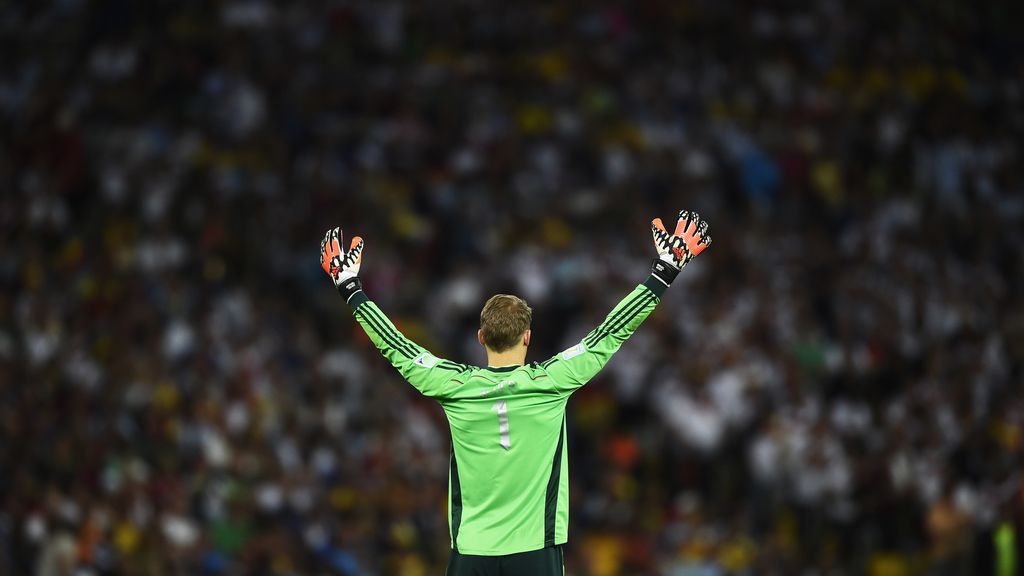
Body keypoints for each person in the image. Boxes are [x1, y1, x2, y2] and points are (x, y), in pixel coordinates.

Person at [319, 210, 711, 575]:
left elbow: (397, 346)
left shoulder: (452, 384)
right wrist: (664, 271)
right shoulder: (554, 380)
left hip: (472, 552)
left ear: (480, 337)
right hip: (534, 552)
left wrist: (349, 286)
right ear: (528, 336)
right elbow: (611, 330)